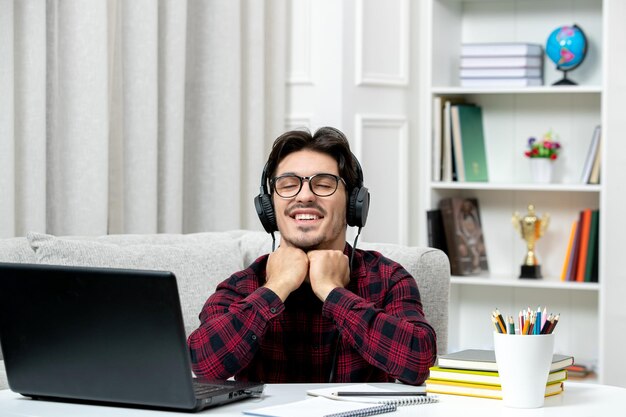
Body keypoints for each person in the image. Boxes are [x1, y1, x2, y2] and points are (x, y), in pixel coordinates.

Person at [187, 127, 437, 385]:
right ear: (268, 207)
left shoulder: (387, 279)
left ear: (353, 204)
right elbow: (203, 366)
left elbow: (418, 363)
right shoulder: (244, 284)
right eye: (288, 185)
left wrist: (332, 291)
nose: (304, 196)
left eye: (324, 184)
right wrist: (276, 287)